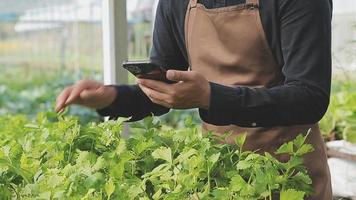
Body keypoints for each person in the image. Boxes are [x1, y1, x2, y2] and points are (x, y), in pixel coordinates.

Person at [56, 0, 333, 199]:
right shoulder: (175, 4)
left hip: (291, 171)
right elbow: (159, 93)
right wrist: (110, 98)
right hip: (218, 171)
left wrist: (212, 97)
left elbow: (309, 97)